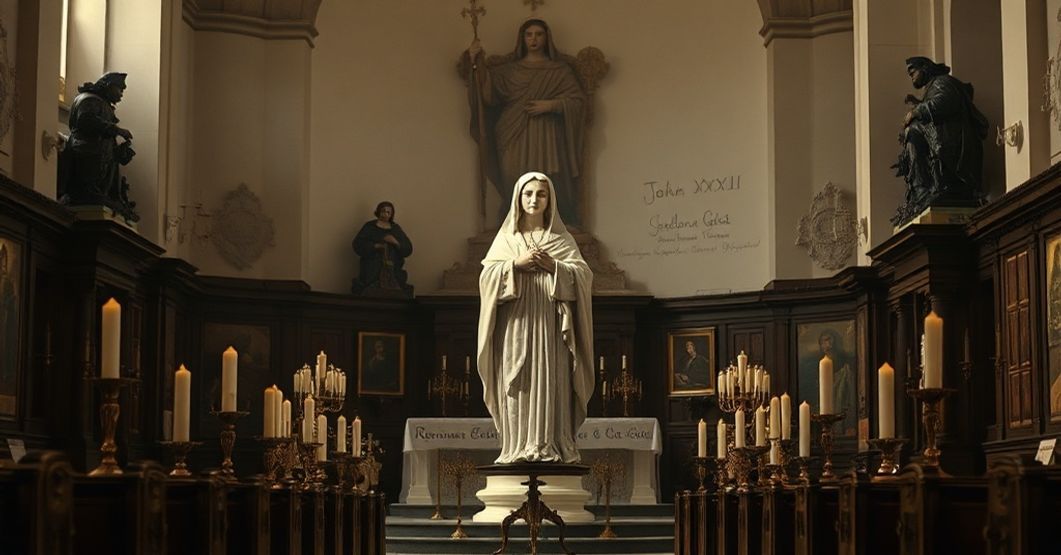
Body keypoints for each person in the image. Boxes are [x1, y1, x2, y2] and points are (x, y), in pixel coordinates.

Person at [477, 171, 594, 463]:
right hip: (516, 324)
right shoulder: (506, 239)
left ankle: (550, 443)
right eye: (528, 194)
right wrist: (515, 264)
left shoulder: (562, 240)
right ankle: (516, 447)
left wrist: (554, 266)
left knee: (551, 381)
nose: (533, 199)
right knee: (516, 384)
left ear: (550, 199)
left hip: (551, 327)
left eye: (541, 194)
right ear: (518, 198)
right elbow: (486, 278)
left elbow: (583, 276)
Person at [466, 19, 587, 227]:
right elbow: (488, 95)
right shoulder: (509, 71)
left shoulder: (559, 71)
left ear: (546, 37)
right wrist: (477, 62)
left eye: (538, 34)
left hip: (547, 133)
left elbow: (578, 102)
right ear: (522, 39)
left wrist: (551, 105)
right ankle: (517, 224)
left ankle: (552, 224)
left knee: (547, 179)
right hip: (512, 133)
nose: (534, 39)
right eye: (529, 34)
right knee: (514, 176)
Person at [892, 57, 988, 226]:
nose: (912, 77)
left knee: (913, 131)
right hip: (943, 138)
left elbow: (945, 102)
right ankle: (921, 189)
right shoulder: (933, 86)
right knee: (912, 132)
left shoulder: (943, 82)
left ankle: (923, 187)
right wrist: (918, 105)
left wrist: (916, 112)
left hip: (954, 141)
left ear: (925, 68)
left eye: (913, 72)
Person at [57, 72, 139, 222]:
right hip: (85, 152)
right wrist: (117, 130)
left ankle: (103, 195)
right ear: (108, 86)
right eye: (120, 89)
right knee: (88, 191)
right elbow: (86, 120)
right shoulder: (89, 100)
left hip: (99, 155)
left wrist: (119, 151)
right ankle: (88, 192)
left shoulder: (102, 103)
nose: (121, 95)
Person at [351, 201, 413, 295]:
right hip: (372, 268)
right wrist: (375, 246)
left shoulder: (395, 229)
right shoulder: (369, 226)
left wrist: (395, 242)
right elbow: (358, 244)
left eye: (389, 212)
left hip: (393, 269)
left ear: (392, 214)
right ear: (378, 211)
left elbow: (408, 249)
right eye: (383, 211)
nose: (385, 214)